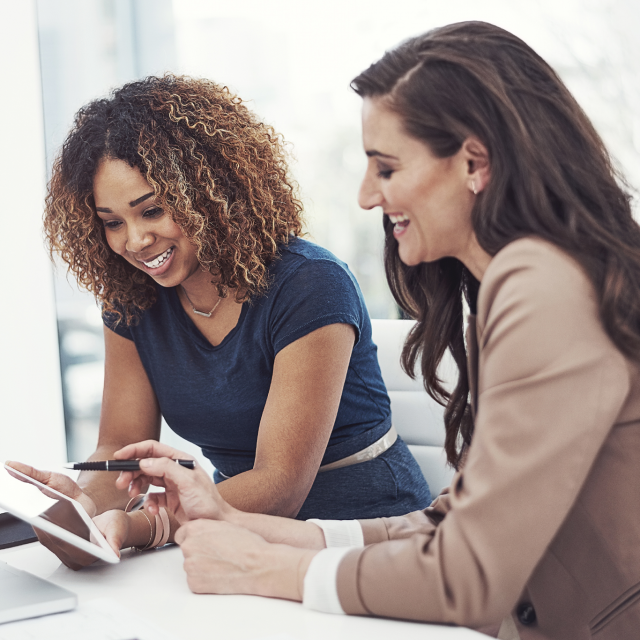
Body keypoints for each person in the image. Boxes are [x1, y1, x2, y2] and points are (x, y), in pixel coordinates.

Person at [111, 22, 640, 640]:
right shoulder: (518, 281)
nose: (365, 196)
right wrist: (238, 520)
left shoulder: (542, 287)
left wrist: (272, 568)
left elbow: (466, 577)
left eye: (385, 168)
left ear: (475, 162)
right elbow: (450, 523)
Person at [8, 75, 430, 569]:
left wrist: (142, 527)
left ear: (210, 194)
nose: (136, 240)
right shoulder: (131, 300)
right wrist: (84, 512)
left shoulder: (311, 284)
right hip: (232, 538)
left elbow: (280, 486)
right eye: (112, 222)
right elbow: (115, 449)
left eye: (154, 210)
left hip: (367, 538)